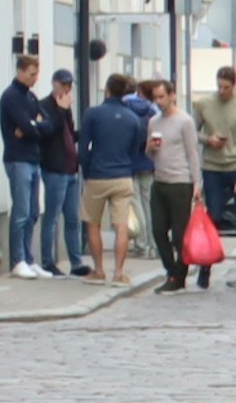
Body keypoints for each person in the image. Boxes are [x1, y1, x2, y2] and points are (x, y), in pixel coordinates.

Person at [78, 71, 157, 285]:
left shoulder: (92, 114)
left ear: (107, 89)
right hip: (123, 176)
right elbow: (134, 150)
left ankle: (99, 270)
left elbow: (84, 148)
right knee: (122, 225)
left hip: (97, 175)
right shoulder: (132, 119)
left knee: (92, 223)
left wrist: (86, 171)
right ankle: (119, 273)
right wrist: (127, 170)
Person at [0, 44, 59, 278]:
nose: (35, 79)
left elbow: (47, 126)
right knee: (21, 211)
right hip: (17, 159)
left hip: (33, 158)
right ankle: (18, 260)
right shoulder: (11, 97)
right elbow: (26, 127)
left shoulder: (31, 97)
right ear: (21, 71)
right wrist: (33, 125)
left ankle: (29, 258)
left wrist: (35, 125)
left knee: (33, 211)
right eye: (32, 74)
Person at [147, 78, 199, 289]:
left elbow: (192, 153)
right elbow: (149, 154)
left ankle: (179, 276)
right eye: (155, 98)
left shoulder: (184, 121)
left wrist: (197, 183)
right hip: (159, 181)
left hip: (180, 182)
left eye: (162, 97)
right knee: (158, 230)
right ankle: (172, 272)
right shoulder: (153, 122)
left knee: (180, 234)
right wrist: (150, 148)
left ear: (172, 95)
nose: (159, 101)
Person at [42, 70, 87, 277]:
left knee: (72, 218)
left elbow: (69, 134)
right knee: (52, 217)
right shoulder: (45, 106)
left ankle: (76, 262)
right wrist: (60, 110)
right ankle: (47, 261)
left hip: (71, 168)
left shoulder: (67, 109)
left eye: (70, 85)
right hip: (54, 168)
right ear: (55, 84)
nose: (67, 89)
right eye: (64, 84)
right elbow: (48, 131)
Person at [195, 64, 236, 288]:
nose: (222, 91)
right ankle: (204, 270)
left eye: (226, 87)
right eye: (219, 86)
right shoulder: (204, 104)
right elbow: (192, 130)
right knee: (213, 217)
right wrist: (207, 140)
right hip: (212, 167)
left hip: (234, 165)